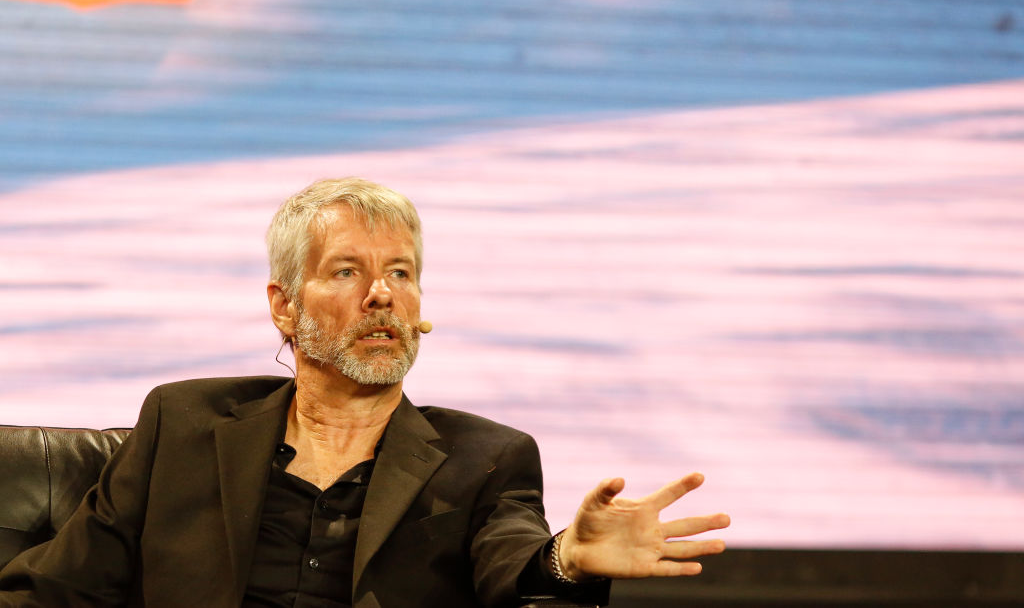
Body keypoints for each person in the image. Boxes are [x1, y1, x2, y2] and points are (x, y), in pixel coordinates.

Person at [0, 178, 730, 607]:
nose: (382, 294)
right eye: (347, 271)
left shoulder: (485, 457)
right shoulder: (183, 422)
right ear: (285, 306)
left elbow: (511, 562)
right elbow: (59, 588)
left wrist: (564, 557)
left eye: (402, 273)